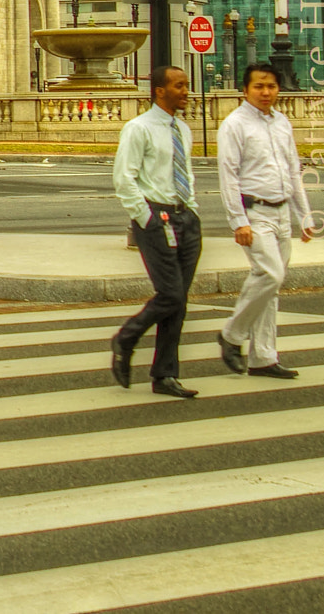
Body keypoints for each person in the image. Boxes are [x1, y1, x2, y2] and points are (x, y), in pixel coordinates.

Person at [215, 63, 315, 380]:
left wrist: (305, 214)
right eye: (259, 86)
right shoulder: (234, 125)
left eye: (271, 86)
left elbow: (292, 170)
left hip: (282, 211)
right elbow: (228, 177)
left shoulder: (282, 122)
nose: (266, 92)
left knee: (271, 286)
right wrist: (238, 222)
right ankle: (231, 335)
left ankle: (263, 357)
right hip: (254, 212)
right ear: (245, 90)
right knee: (270, 274)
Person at [110, 64, 201, 398]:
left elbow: (185, 173)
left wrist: (191, 210)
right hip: (156, 219)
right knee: (171, 293)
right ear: (160, 91)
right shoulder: (139, 129)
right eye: (178, 86)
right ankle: (126, 338)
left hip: (185, 218)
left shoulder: (183, 129)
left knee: (178, 301)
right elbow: (124, 178)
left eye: (186, 85)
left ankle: (165, 375)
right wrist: (146, 217)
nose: (185, 91)